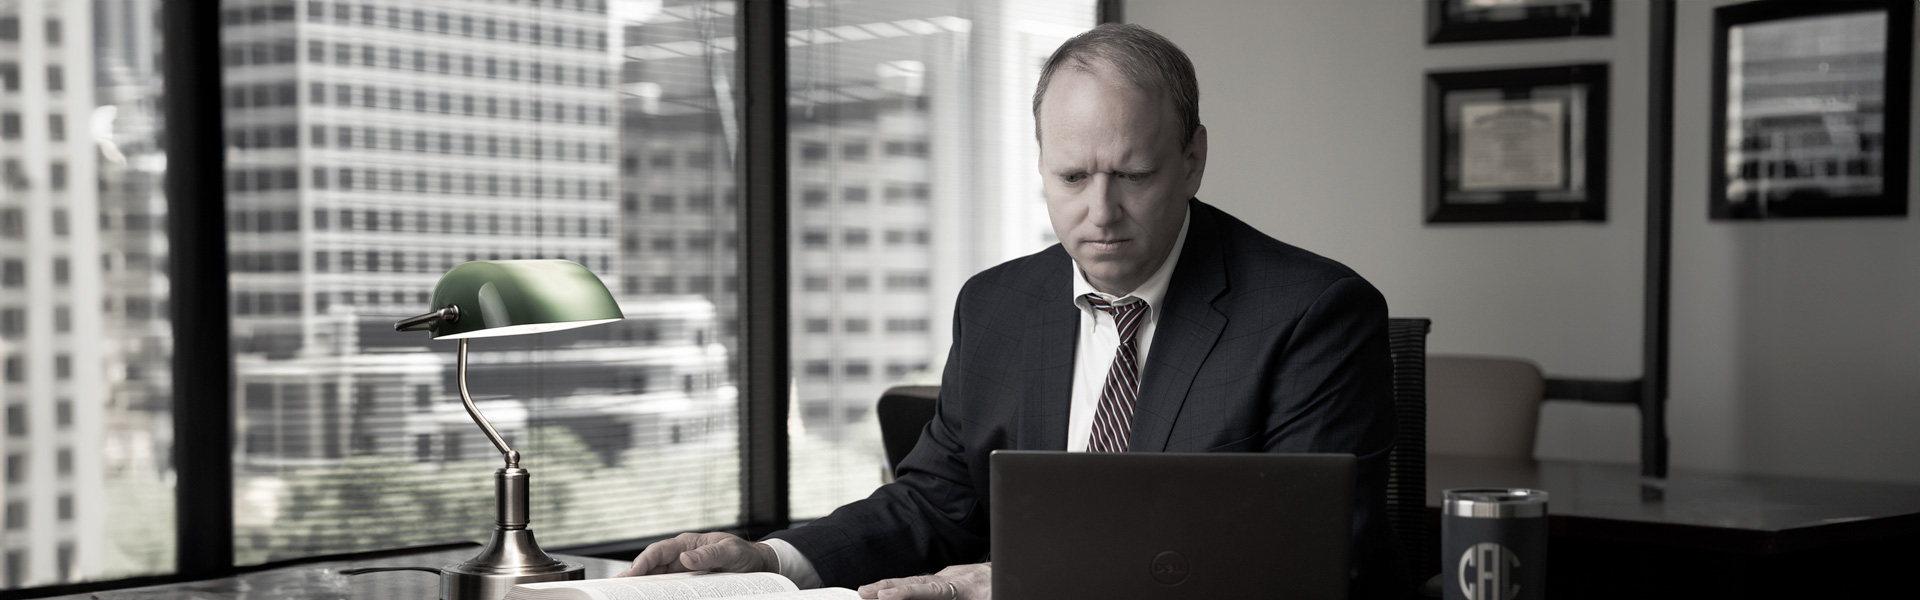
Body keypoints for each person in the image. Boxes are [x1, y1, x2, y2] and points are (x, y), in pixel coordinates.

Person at [619, 23, 1406, 600]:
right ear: (1040, 163)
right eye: (1072, 177)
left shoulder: (1315, 314)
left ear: (1193, 158)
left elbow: (1317, 557)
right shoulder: (996, 305)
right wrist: (774, 560)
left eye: (1132, 174)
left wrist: (1033, 584)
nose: (1101, 212)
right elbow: (932, 503)